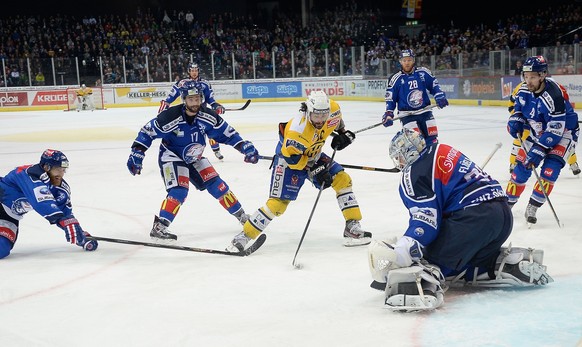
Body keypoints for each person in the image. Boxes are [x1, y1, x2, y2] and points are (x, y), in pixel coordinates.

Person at [366, 129, 552, 312]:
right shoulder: (442, 149)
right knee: (463, 261)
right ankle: (497, 264)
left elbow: (426, 221)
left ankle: (422, 285)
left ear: (408, 152)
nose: (399, 162)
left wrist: (405, 249)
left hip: (474, 220)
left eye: (399, 156)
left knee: (429, 260)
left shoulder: (414, 172)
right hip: (502, 216)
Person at [226, 90, 371, 252]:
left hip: (313, 154)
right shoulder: (298, 129)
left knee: (343, 179)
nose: (320, 120)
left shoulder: (333, 110)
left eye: (324, 116)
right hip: (289, 160)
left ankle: (351, 227)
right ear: (308, 111)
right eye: (316, 116)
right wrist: (315, 169)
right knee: (278, 204)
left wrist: (343, 134)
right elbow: (293, 160)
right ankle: (244, 235)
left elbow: (337, 123)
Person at [127, 81, 259, 241]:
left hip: (194, 156)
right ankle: (160, 227)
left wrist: (243, 146)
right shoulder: (170, 117)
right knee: (179, 190)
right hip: (171, 156)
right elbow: (147, 132)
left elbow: (226, 133)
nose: (195, 103)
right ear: (184, 99)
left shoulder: (208, 116)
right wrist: (137, 152)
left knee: (218, 185)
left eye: (197, 99)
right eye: (191, 99)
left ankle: (242, 217)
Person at [506, 55, 579, 225]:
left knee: (549, 170)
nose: (528, 81)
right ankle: (506, 204)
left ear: (542, 75)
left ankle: (533, 206)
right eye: (526, 76)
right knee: (521, 168)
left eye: (532, 77)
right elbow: (518, 109)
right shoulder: (524, 89)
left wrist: (539, 150)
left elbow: (556, 130)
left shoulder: (554, 95)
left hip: (563, 133)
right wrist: (516, 120)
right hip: (538, 131)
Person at [0, 149, 98, 258]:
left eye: (63, 170)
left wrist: (79, 233)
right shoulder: (26, 173)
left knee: (1, 249)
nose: (61, 174)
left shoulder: (60, 190)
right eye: (58, 169)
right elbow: (41, 202)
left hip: (7, 216)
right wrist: (66, 222)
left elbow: (65, 214)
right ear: (46, 168)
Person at [507, 82, 580, 176]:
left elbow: (563, 106)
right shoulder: (522, 87)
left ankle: (573, 163)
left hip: (547, 119)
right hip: (529, 119)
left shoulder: (554, 90)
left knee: (562, 140)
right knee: (521, 136)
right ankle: (514, 163)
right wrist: (522, 119)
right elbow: (512, 106)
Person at [159, 62, 226, 160]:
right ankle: (180, 152)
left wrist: (216, 106)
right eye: (192, 70)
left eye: (196, 70)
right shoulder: (182, 83)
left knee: (210, 129)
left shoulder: (205, 84)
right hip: (187, 112)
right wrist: (165, 104)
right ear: (188, 71)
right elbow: (170, 97)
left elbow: (210, 99)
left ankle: (216, 150)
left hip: (201, 112)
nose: (194, 73)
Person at [381, 49, 449, 144]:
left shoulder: (423, 72)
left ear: (413, 60)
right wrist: (388, 113)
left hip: (425, 111)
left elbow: (434, 85)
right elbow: (390, 98)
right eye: (404, 60)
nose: (407, 63)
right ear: (400, 62)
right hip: (407, 115)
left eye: (409, 60)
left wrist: (439, 96)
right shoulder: (395, 78)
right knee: (417, 144)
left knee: (432, 141)